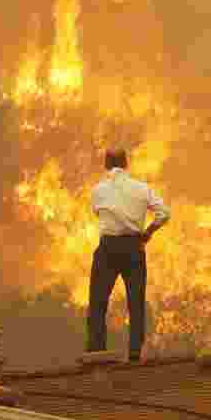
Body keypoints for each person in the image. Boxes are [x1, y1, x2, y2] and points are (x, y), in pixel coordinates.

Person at [87, 147, 170, 362]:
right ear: (126, 164)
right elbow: (164, 213)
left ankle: (97, 354)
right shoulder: (142, 188)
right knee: (136, 303)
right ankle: (134, 355)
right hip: (134, 248)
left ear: (106, 164)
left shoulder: (98, 190)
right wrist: (148, 232)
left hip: (108, 248)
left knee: (98, 303)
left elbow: (97, 212)